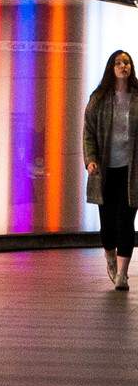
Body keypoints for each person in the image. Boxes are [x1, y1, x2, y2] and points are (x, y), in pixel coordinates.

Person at [84, 49, 138, 289]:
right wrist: (91, 159)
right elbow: (89, 132)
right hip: (106, 171)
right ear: (111, 68)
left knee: (127, 222)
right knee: (108, 225)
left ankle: (123, 275)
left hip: (132, 171)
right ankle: (110, 258)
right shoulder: (99, 98)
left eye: (127, 62)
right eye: (118, 62)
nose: (123, 66)